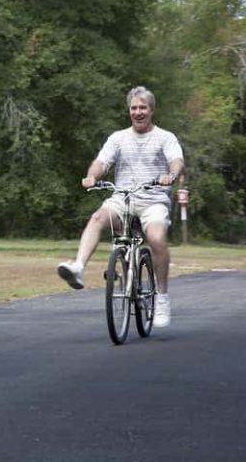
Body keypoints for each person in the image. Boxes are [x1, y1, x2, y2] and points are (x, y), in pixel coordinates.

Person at [57, 86, 184, 328]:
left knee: (156, 239)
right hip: (122, 199)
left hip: (153, 201)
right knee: (97, 217)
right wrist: (91, 176)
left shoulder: (165, 137)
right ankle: (78, 267)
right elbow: (101, 161)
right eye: (134, 108)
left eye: (142, 107)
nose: (138, 112)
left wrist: (171, 174)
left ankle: (163, 297)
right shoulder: (118, 138)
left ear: (152, 110)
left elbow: (176, 160)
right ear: (129, 111)